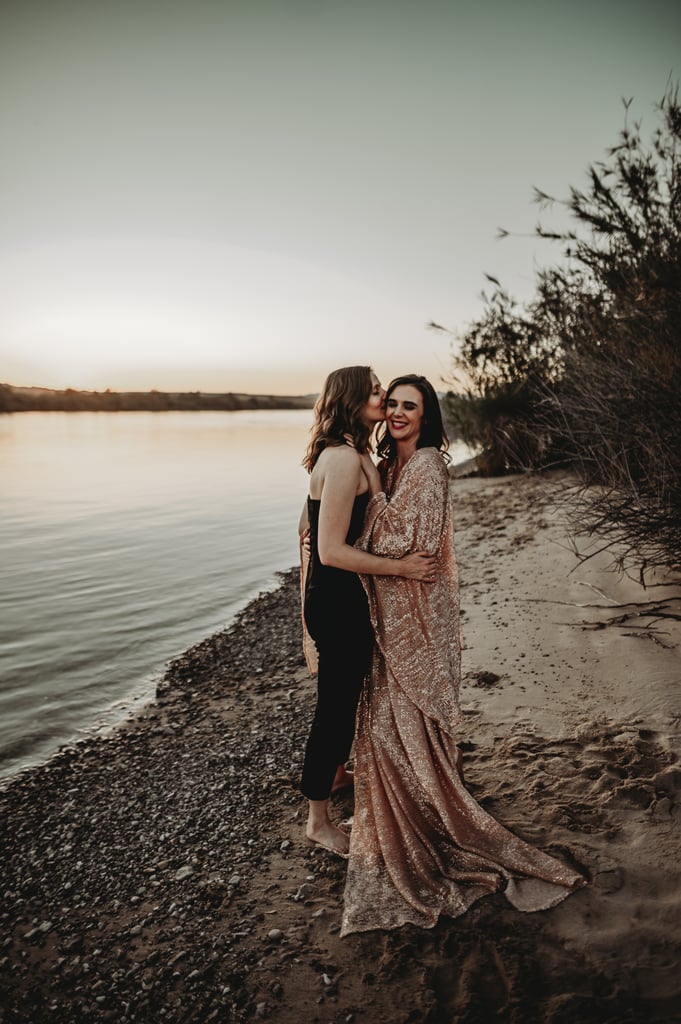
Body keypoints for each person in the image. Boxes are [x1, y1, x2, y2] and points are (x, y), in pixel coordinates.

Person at [341, 374, 586, 935]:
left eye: (411, 407)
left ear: (427, 419)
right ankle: (399, 812)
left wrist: (373, 493)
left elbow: (403, 539)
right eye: (394, 404)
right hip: (392, 608)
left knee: (394, 721)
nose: (399, 413)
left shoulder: (427, 464)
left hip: (417, 615)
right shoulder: (395, 463)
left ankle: (424, 819)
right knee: (382, 722)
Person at [300, 366, 438, 858]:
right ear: (354, 398)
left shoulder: (349, 453)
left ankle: (336, 775)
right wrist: (400, 568)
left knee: (347, 695)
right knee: (335, 709)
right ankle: (317, 821)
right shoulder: (339, 460)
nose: (384, 396)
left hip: (339, 598)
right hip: (337, 601)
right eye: (377, 390)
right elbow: (330, 550)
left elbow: (304, 532)